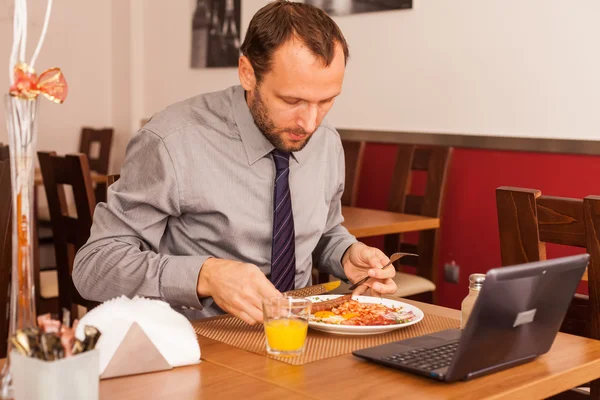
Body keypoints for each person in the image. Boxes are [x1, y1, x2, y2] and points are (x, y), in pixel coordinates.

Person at [73, 0, 397, 325]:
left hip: (296, 338)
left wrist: (346, 254)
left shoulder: (325, 141)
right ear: (247, 73)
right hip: (200, 346)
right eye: (292, 100)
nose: (310, 123)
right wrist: (206, 275)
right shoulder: (172, 141)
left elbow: (322, 231)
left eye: (326, 101)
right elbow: (93, 266)